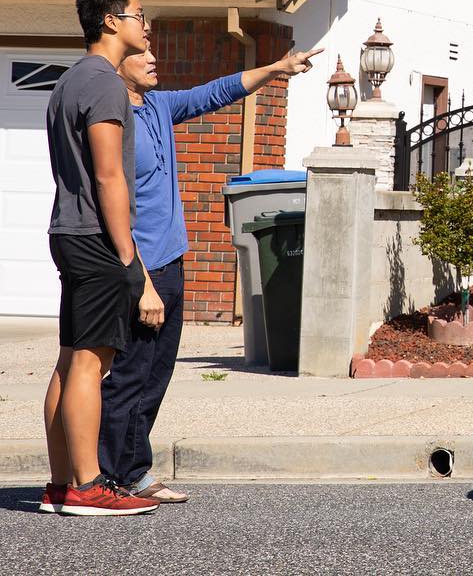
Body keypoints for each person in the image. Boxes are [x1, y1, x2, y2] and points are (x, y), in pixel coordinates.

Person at [98, 41, 322, 502]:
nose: (153, 58)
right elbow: (112, 208)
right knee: (129, 376)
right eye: (142, 53)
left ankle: (134, 471)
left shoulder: (159, 105)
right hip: (140, 270)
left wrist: (278, 67)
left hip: (172, 263)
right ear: (118, 66)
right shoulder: (113, 121)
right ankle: (108, 476)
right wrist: (141, 284)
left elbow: (218, 91)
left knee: (155, 376)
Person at [41, 0, 161, 517]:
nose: (146, 24)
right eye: (139, 15)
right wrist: (130, 259)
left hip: (67, 233)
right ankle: (88, 486)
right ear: (111, 22)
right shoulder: (106, 84)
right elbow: (111, 176)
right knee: (91, 363)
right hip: (95, 238)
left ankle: (61, 483)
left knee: (69, 362)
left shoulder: (70, 81)